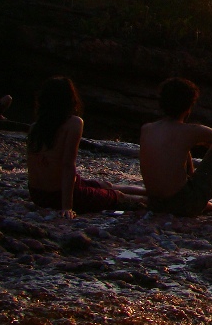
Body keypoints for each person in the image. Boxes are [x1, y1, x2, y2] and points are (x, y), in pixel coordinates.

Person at [26, 76, 145, 218]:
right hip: (58, 194)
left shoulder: (34, 128)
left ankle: (152, 191)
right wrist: (67, 207)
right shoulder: (73, 123)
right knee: (119, 196)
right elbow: (68, 166)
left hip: (37, 194)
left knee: (106, 185)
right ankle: (161, 199)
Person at [140, 77, 212, 218]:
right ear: (189, 106)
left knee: (183, 150)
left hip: (155, 204)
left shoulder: (147, 128)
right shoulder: (191, 131)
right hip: (183, 206)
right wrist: (205, 139)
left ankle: (196, 195)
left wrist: (198, 141)